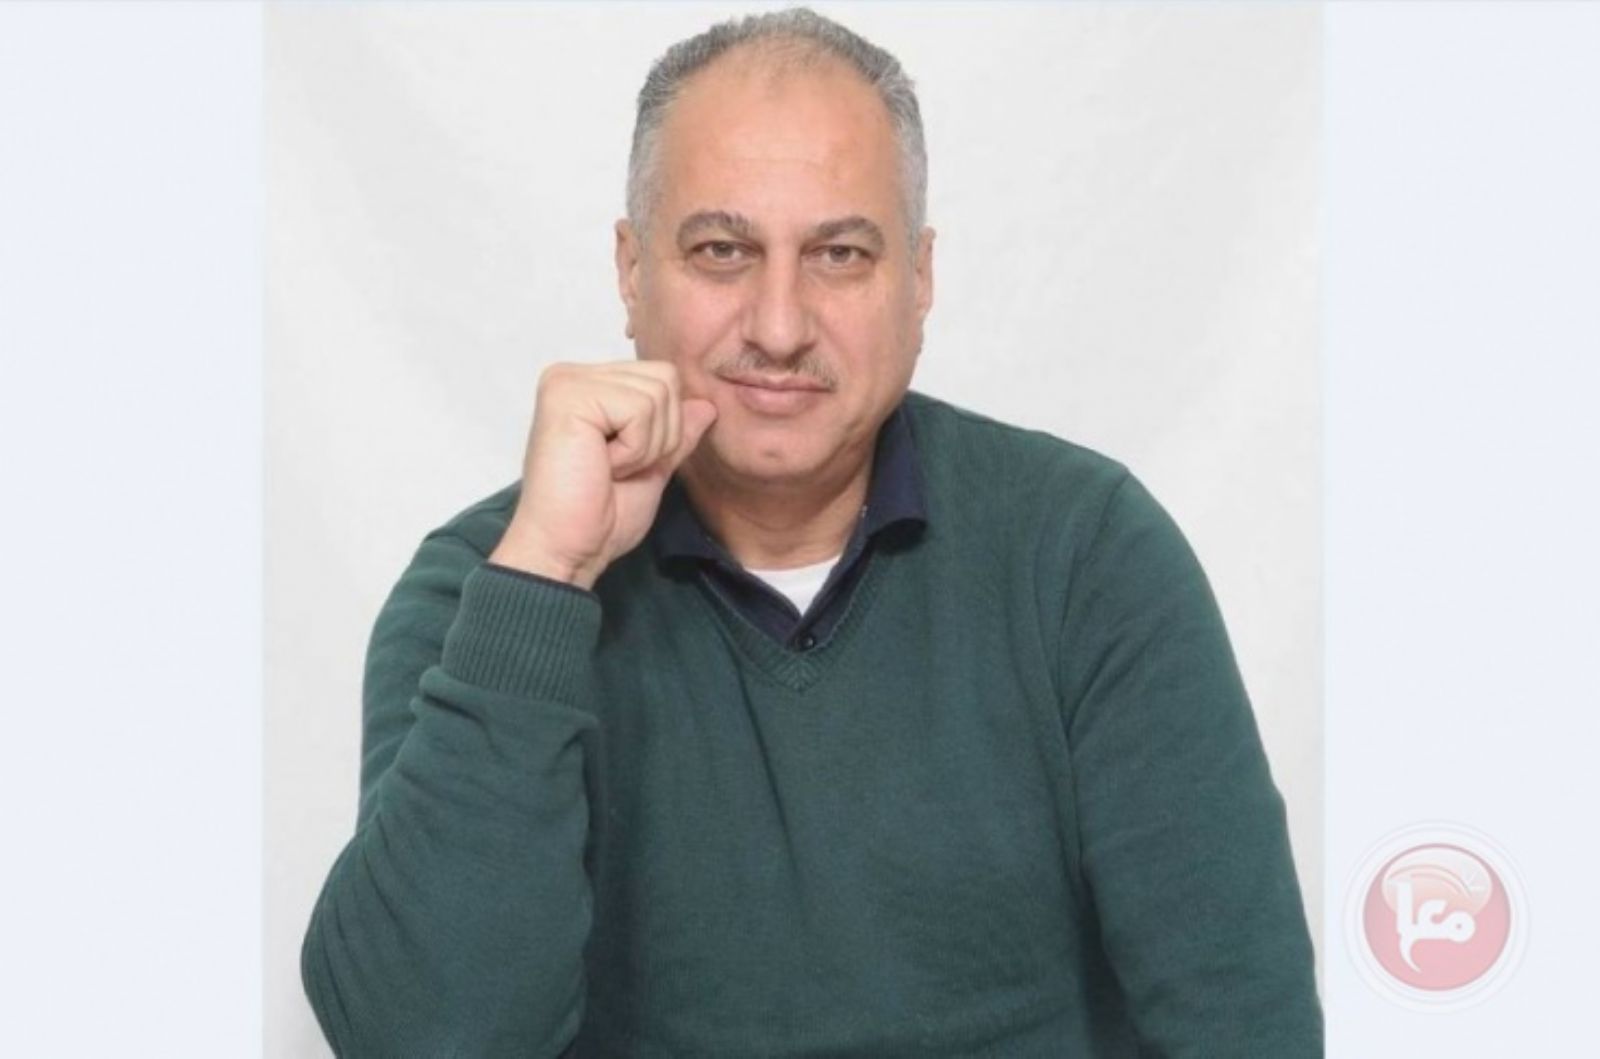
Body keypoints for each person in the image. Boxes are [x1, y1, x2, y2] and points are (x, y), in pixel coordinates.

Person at [301, 8, 1322, 1056]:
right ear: (630, 270)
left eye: (838, 254)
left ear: (919, 280)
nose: (779, 326)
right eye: (721, 250)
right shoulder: (486, 590)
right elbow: (424, 1039)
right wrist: (548, 574)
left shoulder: (1084, 557)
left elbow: (1244, 1024)